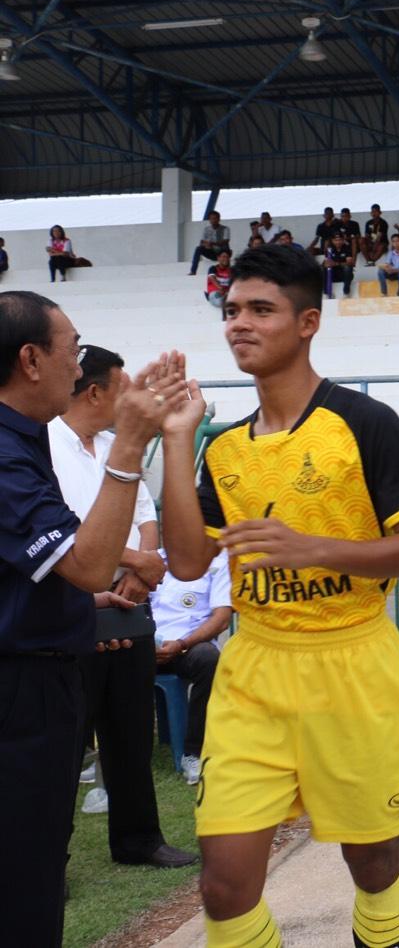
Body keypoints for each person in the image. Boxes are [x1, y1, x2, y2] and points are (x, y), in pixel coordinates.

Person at [158, 244, 399, 948]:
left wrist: (314, 547)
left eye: (261, 309)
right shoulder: (225, 449)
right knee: (224, 888)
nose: (239, 324)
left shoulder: (363, 422)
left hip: (353, 665)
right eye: (232, 310)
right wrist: (177, 440)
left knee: (373, 864)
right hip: (255, 670)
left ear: (308, 321)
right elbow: (188, 562)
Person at [0, 291, 176, 947]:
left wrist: (88, 601)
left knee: (35, 861)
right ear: (30, 360)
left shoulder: (21, 440)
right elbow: (90, 563)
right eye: (71, 351)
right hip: (22, 689)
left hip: (44, 670)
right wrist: (128, 445)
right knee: (25, 877)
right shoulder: (7, 450)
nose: (79, 369)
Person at [50, 345, 197, 868]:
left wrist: (141, 569)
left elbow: (143, 512)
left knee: (131, 730)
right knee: (65, 743)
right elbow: (65, 530)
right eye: (123, 388)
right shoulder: (45, 445)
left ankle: (139, 840)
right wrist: (137, 559)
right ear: (95, 392)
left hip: (130, 603)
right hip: (73, 606)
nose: (132, 398)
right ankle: (52, 857)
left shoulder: (118, 447)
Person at [146, 550, 230, 785]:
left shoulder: (218, 564)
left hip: (187, 647)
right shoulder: (150, 560)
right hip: (145, 644)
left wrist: (182, 644)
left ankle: (194, 752)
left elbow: (221, 619)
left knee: (209, 658)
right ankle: (114, 754)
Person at [188, 211, 231, 276]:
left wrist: (212, 244)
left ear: (219, 219)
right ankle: (193, 271)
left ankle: (228, 271)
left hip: (222, 251)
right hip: (212, 252)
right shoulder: (206, 229)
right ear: (209, 220)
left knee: (225, 246)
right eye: (212, 219)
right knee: (198, 248)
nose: (213, 220)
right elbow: (202, 241)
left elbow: (226, 241)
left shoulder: (225, 229)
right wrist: (206, 245)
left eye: (215, 218)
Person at [322, 231, 356, 300]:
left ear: (343, 240)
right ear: (332, 241)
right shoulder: (329, 249)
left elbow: (350, 263)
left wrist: (336, 264)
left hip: (343, 275)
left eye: (340, 240)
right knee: (323, 269)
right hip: (333, 275)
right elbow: (325, 262)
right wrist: (325, 264)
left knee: (347, 268)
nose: (338, 242)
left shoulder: (347, 248)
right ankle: (327, 293)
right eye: (336, 240)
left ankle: (346, 293)